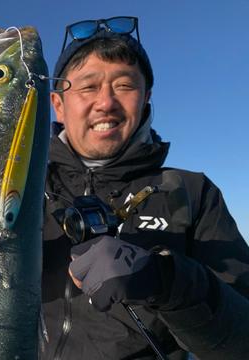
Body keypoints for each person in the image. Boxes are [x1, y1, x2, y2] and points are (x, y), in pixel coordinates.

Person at [41, 16, 249, 360]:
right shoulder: (16, 191)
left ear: (146, 98)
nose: (106, 102)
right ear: (59, 104)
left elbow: (241, 342)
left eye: (124, 85)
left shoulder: (192, 192)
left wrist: (166, 281)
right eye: (88, 87)